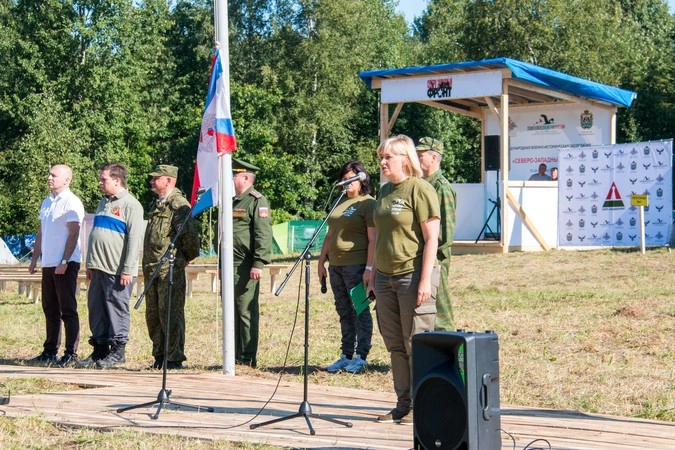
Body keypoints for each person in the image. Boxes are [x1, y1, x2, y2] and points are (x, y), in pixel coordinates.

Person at [369, 135, 440, 425]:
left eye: (388, 157)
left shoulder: (420, 189)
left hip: (411, 276)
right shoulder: (384, 191)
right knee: (395, 345)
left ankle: (423, 405)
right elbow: (379, 237)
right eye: (381, 157)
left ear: (405, 159)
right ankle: (403, 403)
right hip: (384, 279)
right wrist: (372, 276)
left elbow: (432, 238)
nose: (383, 162)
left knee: (416, 345)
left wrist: (425, 280)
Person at [77, 163, 144, 368]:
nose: (100, 182)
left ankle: (118, 350)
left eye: (103, 179)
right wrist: (90, 264)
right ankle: (100, 349)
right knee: (96, 308)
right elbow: (95, 235)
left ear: (117, 180)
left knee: (116, 308)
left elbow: (134, 241)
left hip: (117, 269)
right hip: (98, 267)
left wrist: (128, 269)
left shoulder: (131, 205)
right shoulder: (103, 203)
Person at [318, 161, 376, 374]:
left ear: (362, 180)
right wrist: (321, 261)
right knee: (343, 310)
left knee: (360, 309)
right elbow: (330, 234)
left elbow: (373, 239)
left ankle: (361, 356)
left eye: (352, 179)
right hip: (336, 266)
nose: (347, 183)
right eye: (344, 179)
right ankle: (346, 355)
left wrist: (369, 268)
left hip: (356, 266)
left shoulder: (368, 204)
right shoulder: (339, 201)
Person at [143, 164, 200, 370]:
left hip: (170, 269)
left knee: (170, 314)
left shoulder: (178, 204)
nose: (151, 181)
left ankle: (173, 358)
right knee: (153, 315)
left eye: (155, 178)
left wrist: (182, 260)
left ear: (168, 180)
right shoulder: (157, 203)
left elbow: (191, 238)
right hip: (152, 267)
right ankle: (159, 356)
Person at [28, 165, 86, 366]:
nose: (49, 178)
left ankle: (71, 353)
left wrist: (64, 261)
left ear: (67, 180)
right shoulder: (47, 201)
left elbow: (74, 233)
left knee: (67, 309)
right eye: (49, 174)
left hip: (65, 263)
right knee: (50, 308)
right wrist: (35, 259)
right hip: (48, 263)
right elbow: (41, 232)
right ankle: (50, 350)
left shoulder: (71, 202)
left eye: (54, 175)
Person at [231, 158, 273, 368]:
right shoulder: (233, 201)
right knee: (232, 312)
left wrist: (258, 262)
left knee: (245, 312)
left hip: (246, 265)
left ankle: (246, 358)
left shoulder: (257, 201)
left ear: (245, 178)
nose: (231, 178)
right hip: (230, 264)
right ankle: (233, 355)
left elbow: (262, 234)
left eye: (234, 175)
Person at [416, 137, 457, 331]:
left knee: (440, 309)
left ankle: (449, 342)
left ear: (434, 158)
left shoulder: (441, 187)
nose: (417, 158)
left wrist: (433, 259)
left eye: (421, 155)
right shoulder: (421, 184)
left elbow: (445, 233)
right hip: (422, 255)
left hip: (436, 257)